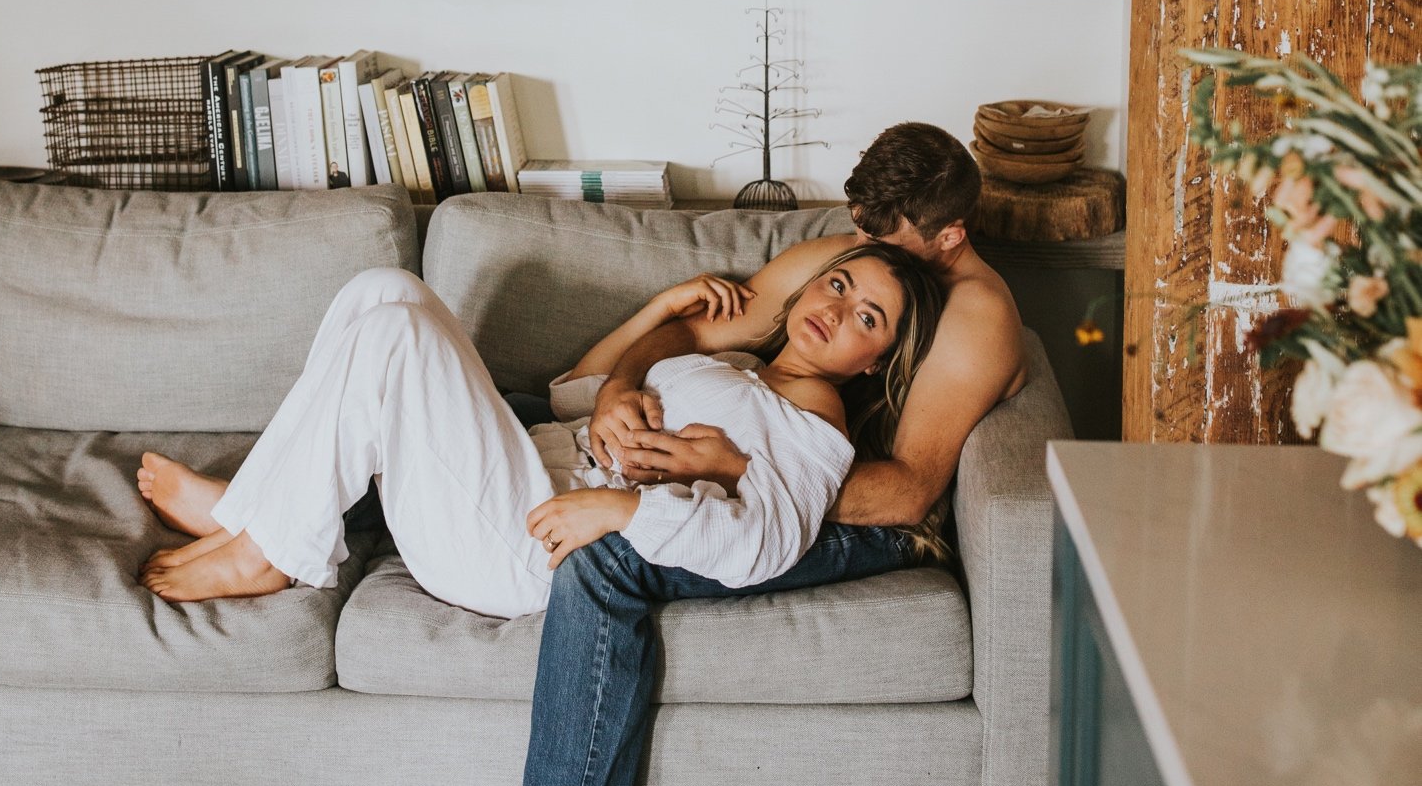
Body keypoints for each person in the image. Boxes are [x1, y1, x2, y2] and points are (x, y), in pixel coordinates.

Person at [413, 121, 1027, 786]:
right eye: (858, 232)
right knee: (476, 421)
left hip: (861, 514)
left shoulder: (977, 314)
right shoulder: (848, 256)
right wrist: (619, 391)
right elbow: (701, 333)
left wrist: (740, 467)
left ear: (950, 235)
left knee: (610, 558)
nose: (857, 255)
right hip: (770, 459)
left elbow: (909, 487)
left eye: (886, 243)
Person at [134, 240, 941, 619]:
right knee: (384, 290)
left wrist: (625, 511)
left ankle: (266, 546)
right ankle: (256, 510)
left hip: (532, 543)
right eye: (836, 284)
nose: (833, 310)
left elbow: (765, 540)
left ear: (876, 359)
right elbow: (568, 395)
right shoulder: (738, 371)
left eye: (865, 314)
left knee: (396, 335)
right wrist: (659, 315)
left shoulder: (817, 425)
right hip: (528, 471)